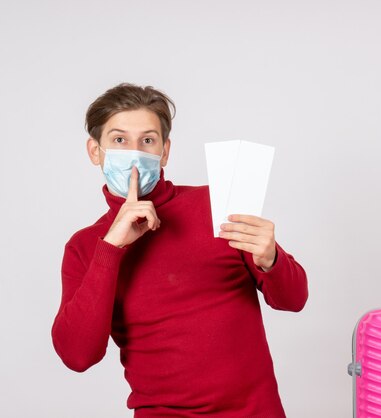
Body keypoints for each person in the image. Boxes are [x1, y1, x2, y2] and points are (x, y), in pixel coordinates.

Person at [51, 83, 308, 417]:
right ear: (95, 151)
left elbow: (293, 299)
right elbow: (77, 356)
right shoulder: (86, 247)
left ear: (165, 151)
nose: (134, 152)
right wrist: (111, 247)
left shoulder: (218, 203)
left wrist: (272, 258)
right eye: (119, 140)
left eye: (147, 140)